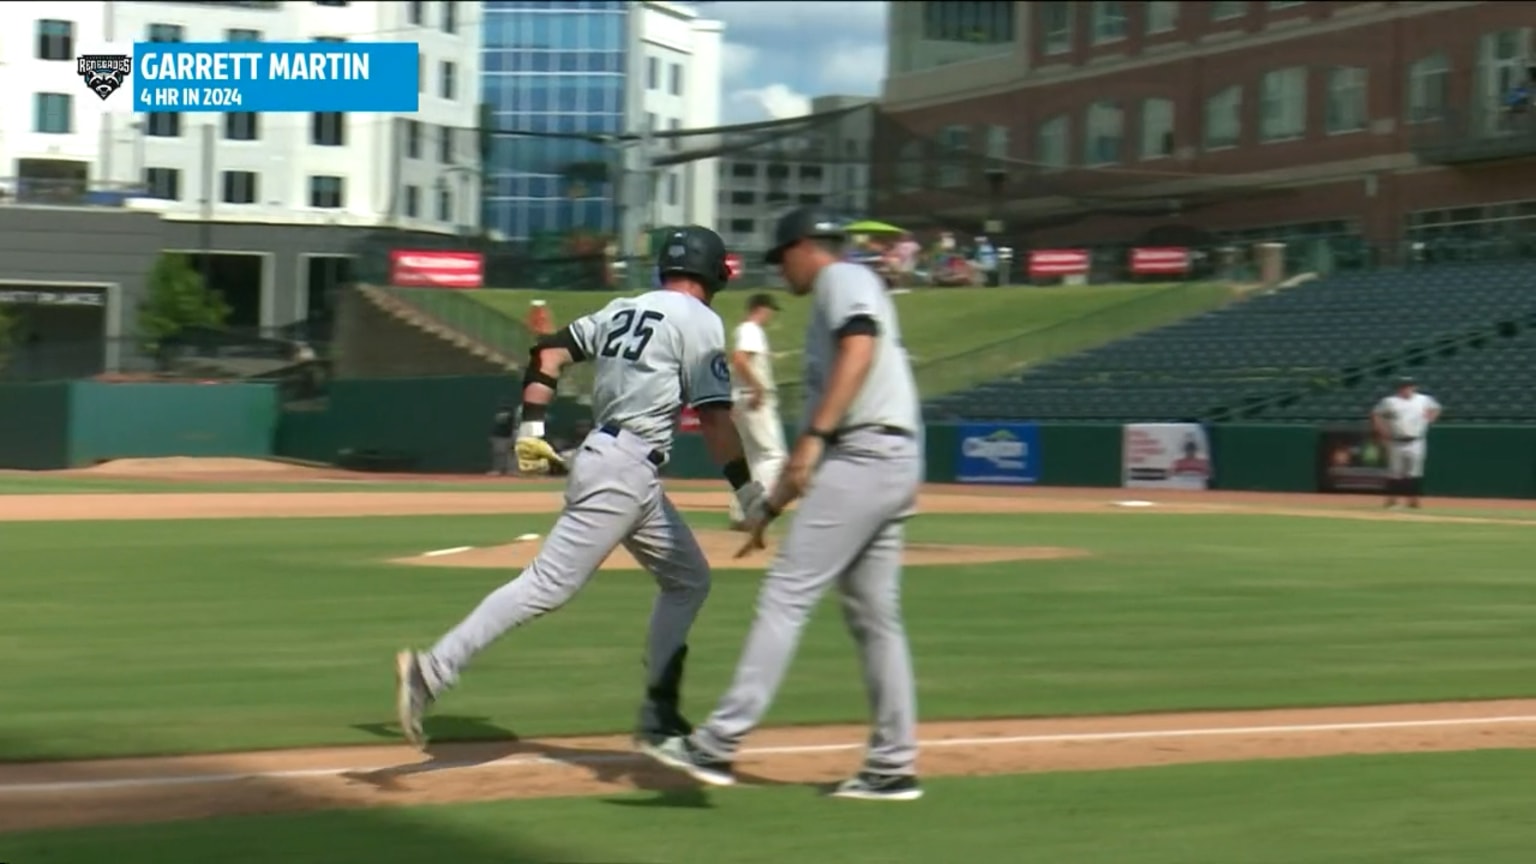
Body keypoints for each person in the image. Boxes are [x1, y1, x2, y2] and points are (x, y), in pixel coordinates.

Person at [395, 226, 766, 750]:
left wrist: (532, 428)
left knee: (689, 580)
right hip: (624, 468)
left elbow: (547, 354)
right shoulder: (699, 319)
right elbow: (714, 419)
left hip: (618, 464)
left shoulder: (622, 308)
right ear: (710, 273)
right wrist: (747, 492)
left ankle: (659, 710)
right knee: (546, 586)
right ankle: (431, 671)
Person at [641, 207, 926, 802]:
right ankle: (892, 765)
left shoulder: (841, 278)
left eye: (782, 256)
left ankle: (717, 743)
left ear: (803, 246)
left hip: (864, 452)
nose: (783, 271)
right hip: (887, 456)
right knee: (875, 616)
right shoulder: (843, 287)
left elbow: (860, 347)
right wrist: (769, 507)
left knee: (787, 595)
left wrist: (815, 439)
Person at [727, 292, 787, 531]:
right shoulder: (751, 330)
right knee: (773, 456)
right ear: (760, 309)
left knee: (753, 458)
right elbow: (740, 359)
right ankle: (755, 511)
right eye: (769, 309)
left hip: (743, 398)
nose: (770, 314)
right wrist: (757, 388)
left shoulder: (746, 330)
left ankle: (741, 513)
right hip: (754, 399)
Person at [1371, 376, 1441, 510]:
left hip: (1416, 440)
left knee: (1415, 471)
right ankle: (1392, 500)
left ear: (1414, 387)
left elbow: (1436, 408)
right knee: (1395, 472)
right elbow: (1376, 414)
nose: (1406, 388)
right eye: (1403, 386)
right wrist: (1382, 430)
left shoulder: (1423, 399)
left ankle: (1413, 500)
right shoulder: (1390, 401)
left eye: (1409, 386)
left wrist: (1430, 419)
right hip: (1396, 440)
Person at [488, 401, 516, 476]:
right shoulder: (509, 416)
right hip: (501, 436)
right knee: (504, 454)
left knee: (506, 454)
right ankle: (501, 470)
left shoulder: (511, 416)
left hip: (502, 436)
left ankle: (506, 470)